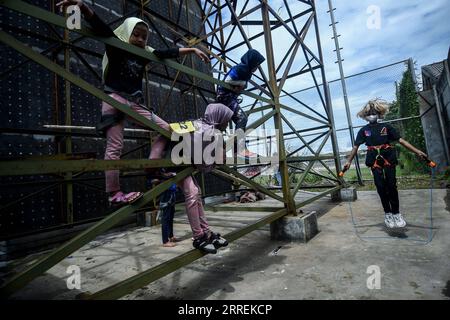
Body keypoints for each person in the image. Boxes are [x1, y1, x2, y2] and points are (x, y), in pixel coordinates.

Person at [56, 0, 210, 205]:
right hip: (115, 99)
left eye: (143, 37)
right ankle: (114, 194)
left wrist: (191, 51)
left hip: (135, 103)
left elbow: (166, 52)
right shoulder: (116, 47)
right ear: (127, 33)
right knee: (115, 147)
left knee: (167, 130)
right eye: (135, 34)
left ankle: (152, 169)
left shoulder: (144, 54)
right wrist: (82, 6)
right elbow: (100, 26)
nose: (139, 39)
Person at [342, 99, 428, 229]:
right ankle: (388, 213)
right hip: (374, 160)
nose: (372, 115)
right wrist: (348, 161)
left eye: (374, 112)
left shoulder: (386, 127)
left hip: (388, 157)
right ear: (365, 116)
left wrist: (417, 151)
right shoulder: (363, 131)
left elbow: (401, 141)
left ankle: (396, 214)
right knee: (381, 187)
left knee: (391, 186)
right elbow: (355, 147)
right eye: (369, 113)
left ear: (379, 113)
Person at [216, 49, 265, 159]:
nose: (257, 68)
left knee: (227, 124)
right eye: (256, 64)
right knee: (242, 118)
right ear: (251, 62)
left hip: (230, 98)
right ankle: (240, 149)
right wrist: (242, 84)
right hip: (224, 97)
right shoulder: (240, 68)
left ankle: (236, 148)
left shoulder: (246, 71)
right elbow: (227, 81)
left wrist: (242, 86)